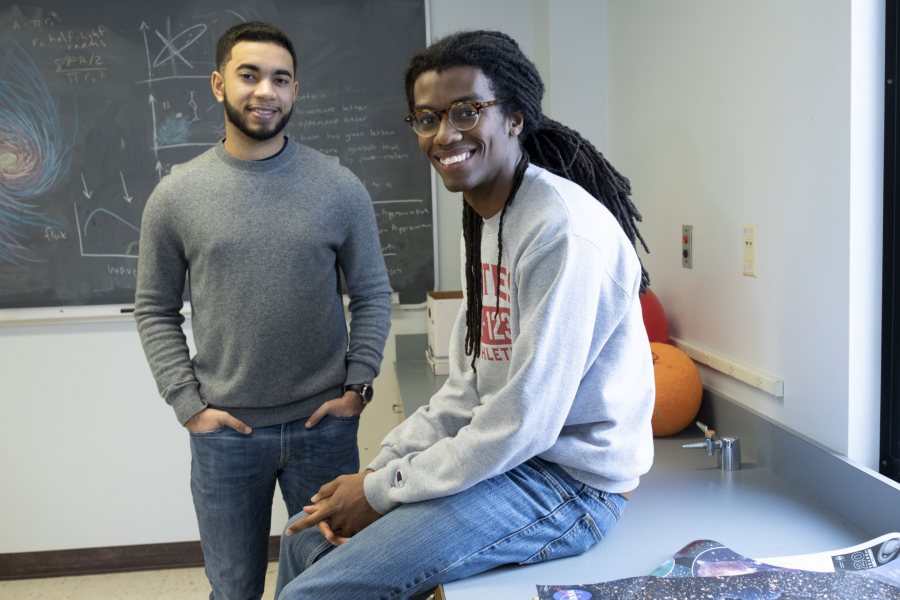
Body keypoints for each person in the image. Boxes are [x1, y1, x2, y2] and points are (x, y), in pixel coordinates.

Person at [275, 30, 654, 599]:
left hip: (569, 487)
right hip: (514, 464)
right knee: (303, 540)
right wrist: (378, 471)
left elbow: (523, 422)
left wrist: (382, 492)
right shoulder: (485, 217)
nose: (444, 134)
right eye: (426, 118)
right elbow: (467, 388)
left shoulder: (562, 231)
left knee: (313, 593)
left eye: (466, 111)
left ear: (515, 118)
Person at [133, 21, 393, 600]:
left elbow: (373, 294)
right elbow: (154, 309)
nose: (265, 91)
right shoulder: (176, 195)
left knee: (330, 580)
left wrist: (358, 386)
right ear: (218, 84)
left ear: (295, 90)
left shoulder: (338, 187)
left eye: (280, 78)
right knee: (233, 589)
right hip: (226, 433)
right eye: (249, 75)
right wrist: (188, 405)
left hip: (323, 427)